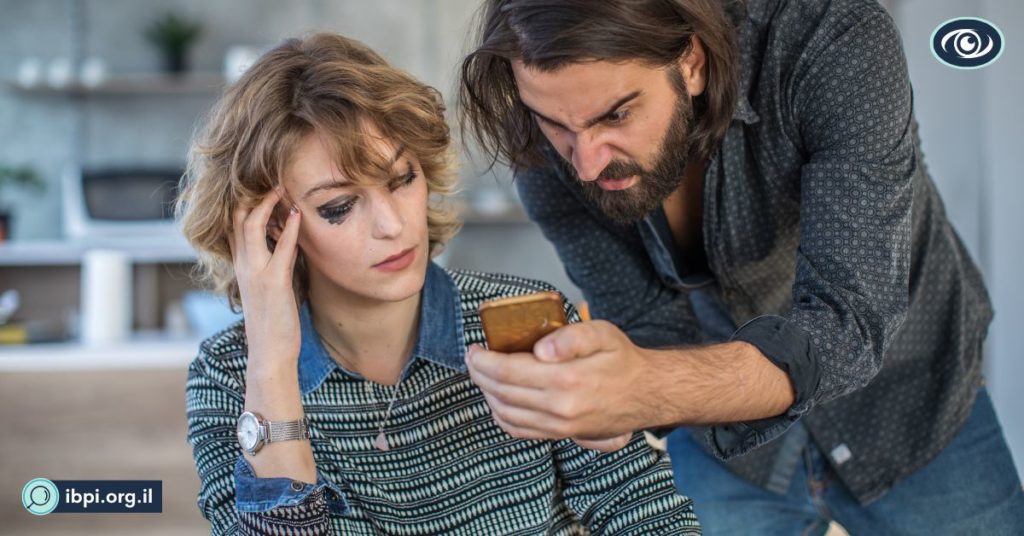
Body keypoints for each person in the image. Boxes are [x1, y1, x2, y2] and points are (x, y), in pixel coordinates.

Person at [457, 0, 1024, 534]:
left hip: (912, 399)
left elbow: (846, 322)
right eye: (557, 124)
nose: (584, 165)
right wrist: (603, 401)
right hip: (724, 445)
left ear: (693, 63)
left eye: (617, 114)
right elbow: (649, 323)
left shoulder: (831, 38)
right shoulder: (543, 152)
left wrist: (647, 385)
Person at [178, 32, 700, 535]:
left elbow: (643, 510)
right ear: (271, 228)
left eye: (402, 179)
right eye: (338, 207)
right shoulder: (229, 379)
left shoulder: (522, 319)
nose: (392, 225)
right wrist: (271, 364)